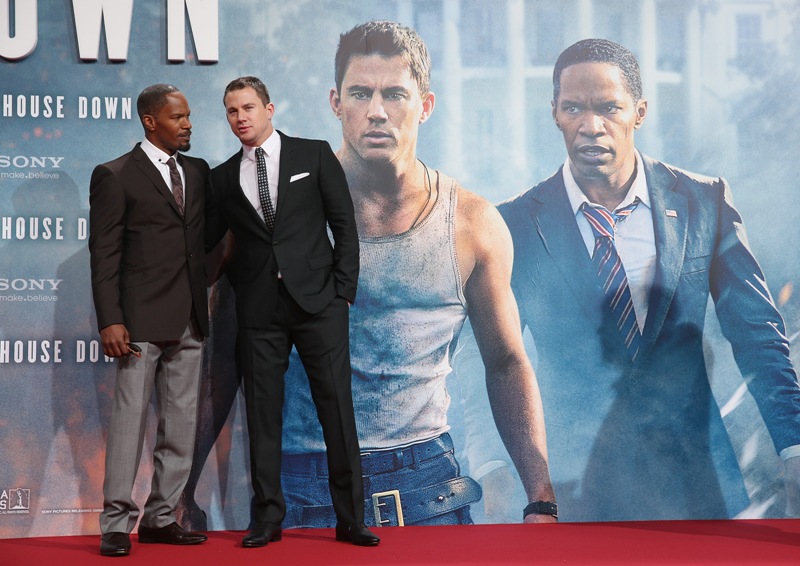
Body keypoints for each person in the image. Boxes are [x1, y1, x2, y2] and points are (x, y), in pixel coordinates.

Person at [498, 38, 800, 521]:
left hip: (699, 482)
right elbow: (495, 359)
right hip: (578, 489)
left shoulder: (705, 201)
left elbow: (758, 335)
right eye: (573, 108)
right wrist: (502, 473)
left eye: (608, 107)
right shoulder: (513, 224)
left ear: (639, 112)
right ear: (554, 113)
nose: (590, 125)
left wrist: (794, 445)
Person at [280, 20, 556, 529]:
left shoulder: (472, 224)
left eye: (395, 94)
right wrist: (181, 494)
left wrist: (540, 498)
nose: (377, 111)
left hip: (429, 487)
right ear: (336, 102)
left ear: (425, 105)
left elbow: (505, 362)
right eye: (360, 93)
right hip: (305, 485)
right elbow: (222, 360)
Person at [205, 76, 379, 547]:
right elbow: (208, 242)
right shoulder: (222, 178)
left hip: (320, 303)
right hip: (259, 311)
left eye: (247, 107)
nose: (240, 117)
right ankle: (267, 519)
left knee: (336, 412)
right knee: (262, 417)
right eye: (231, 111)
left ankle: (351, 519)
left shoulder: (313, 154)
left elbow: (344, 225)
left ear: (269, 109)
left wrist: (343, 292)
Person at [89, 84, 210, 556]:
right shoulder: (115, 175)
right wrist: (110, 320)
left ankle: (161, 518)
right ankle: (116, 524)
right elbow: (105, 255)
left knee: (180, 426)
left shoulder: (196, 172)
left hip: (190, 320)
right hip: (138, 323)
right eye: (178, 117)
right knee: (128, 425)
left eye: (189, 116)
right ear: (150, 121)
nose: (188, 124)